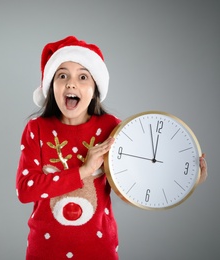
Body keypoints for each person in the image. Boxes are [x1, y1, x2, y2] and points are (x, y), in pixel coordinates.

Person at [15, 35, 208, 259]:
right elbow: (26, 190)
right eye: (62, 75)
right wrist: (84, 171)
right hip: (45, 249)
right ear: (51, 86)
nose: (71, 83)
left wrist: (186, 183)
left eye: (83, 76)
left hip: (99, 248)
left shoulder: (111, 127)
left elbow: (131, 187)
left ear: (95, 87)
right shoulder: (36, 129)